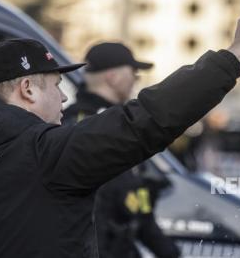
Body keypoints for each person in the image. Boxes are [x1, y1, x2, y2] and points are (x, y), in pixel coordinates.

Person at [0, 15, 240, 258]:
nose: (64, 98)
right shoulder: (42, 154)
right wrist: (234, 55)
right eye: (56, 86)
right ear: (28, 89)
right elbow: (145, 120)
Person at [63, 42, 179, 257]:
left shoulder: (120, 124)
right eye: (133, 73)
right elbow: (92, 217)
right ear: (113, 77)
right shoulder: (84, 129)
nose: (136, 79)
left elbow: (139, 209)